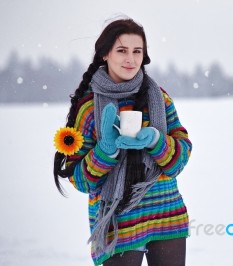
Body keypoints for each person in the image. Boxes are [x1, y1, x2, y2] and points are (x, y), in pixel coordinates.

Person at [53, 17, 192, 266]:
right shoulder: (88, 109)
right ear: (105, 54)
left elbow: (179, 160)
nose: (131, 58)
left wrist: (158, 142)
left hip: (166, 212)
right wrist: (105, 151)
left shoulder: (159, 98)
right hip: (117, 222)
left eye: (137, 51)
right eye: (122, 50)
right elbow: (81, 181)